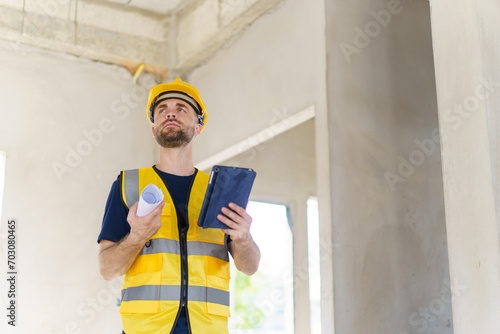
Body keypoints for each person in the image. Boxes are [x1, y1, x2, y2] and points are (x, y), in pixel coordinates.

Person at [97, 78, 261, 334]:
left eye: (181, 108)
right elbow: (108, 270)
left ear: (198, 127)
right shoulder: (128, 185)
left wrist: (243, 238)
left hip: (208, 328)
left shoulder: (219, 189)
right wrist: (136, 237)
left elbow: (249, 267)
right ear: (153, 129)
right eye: (162, 109)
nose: (170, 112)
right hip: (145, 329)